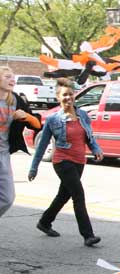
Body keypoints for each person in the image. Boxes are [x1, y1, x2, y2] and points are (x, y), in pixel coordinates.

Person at [28, 79, 104, 246]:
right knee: (78, 195)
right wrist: (34, 167)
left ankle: (45, 222)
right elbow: (41, 146)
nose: (68, 97)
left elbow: (90, 138)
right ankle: (88, 235)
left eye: (71, 94)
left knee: (64, 195)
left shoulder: (83, 115)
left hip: (79, 161)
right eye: (64, 95)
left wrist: (96, 149)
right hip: (62, 161)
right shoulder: (53, 120)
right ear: (58, 98)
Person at [0, 66, 41, 217]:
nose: (12, 80)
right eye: (7, 77)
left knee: (7, 198)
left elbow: (37, 124)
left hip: (3, 155)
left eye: (13, 77)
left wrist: (26, 116)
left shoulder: (16, 101)